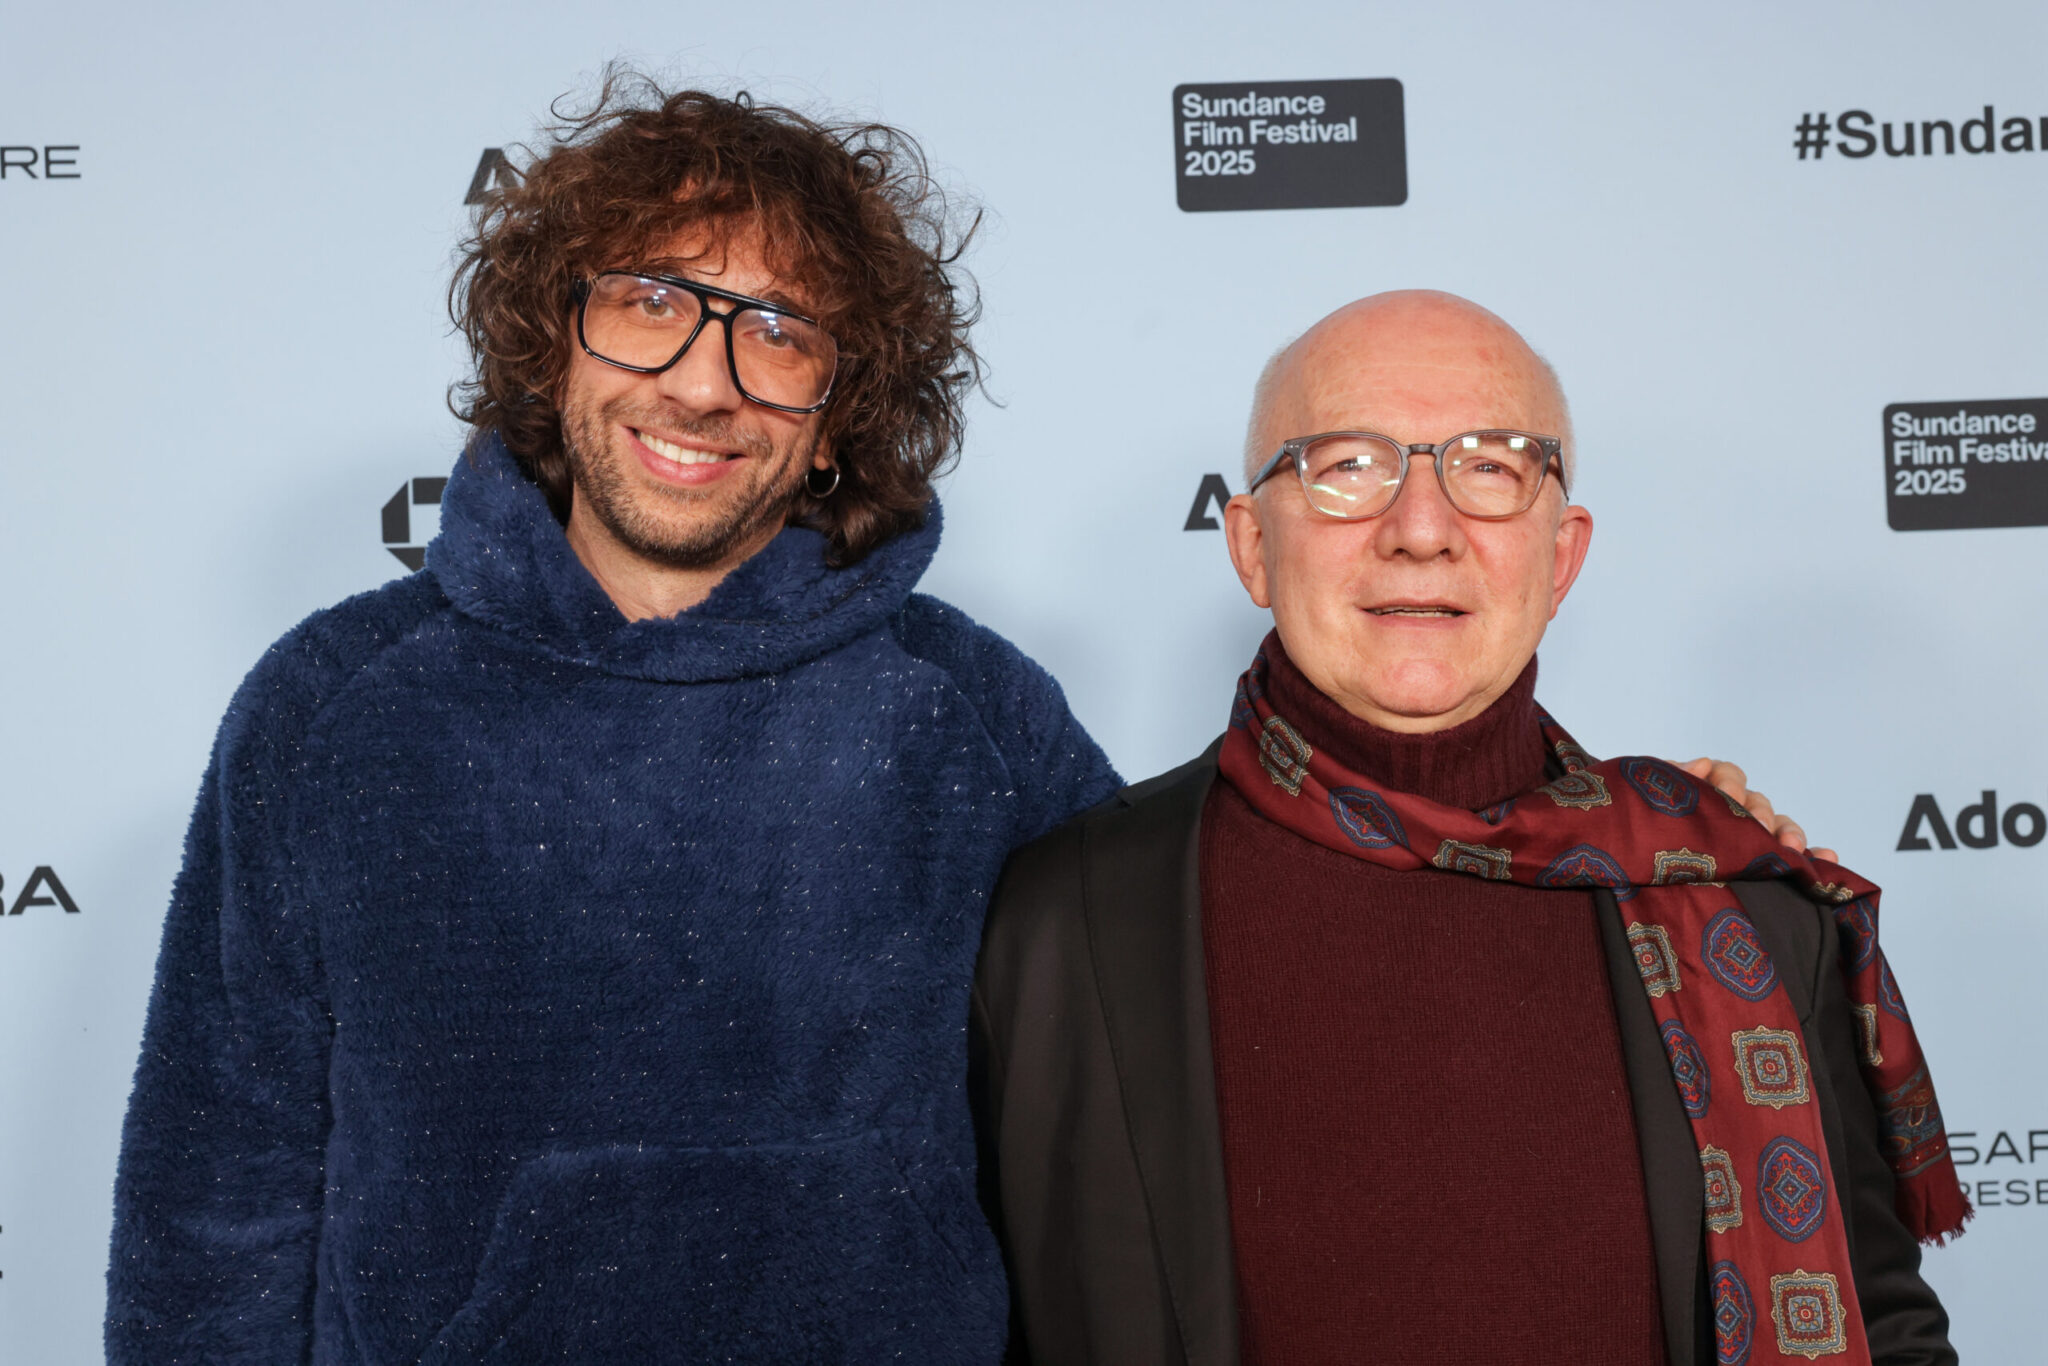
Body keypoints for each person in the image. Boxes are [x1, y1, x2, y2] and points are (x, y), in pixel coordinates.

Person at [103, 82, 1120, 1364]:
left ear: (833, 423)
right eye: (650, 301)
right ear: (551, 344)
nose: (703, 384)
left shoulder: (977, 712)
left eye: (780, 331)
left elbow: (1120, 1153)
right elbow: (215, 1197)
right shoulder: (333, 700)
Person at [972, 291, 1966, 1366]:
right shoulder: (1056, 924)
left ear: (1561, 556)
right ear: (1252, 547)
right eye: (1347, 466)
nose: (1419, 529)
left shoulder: (1733, 896)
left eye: (1489, 467)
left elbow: (1880, 1323)